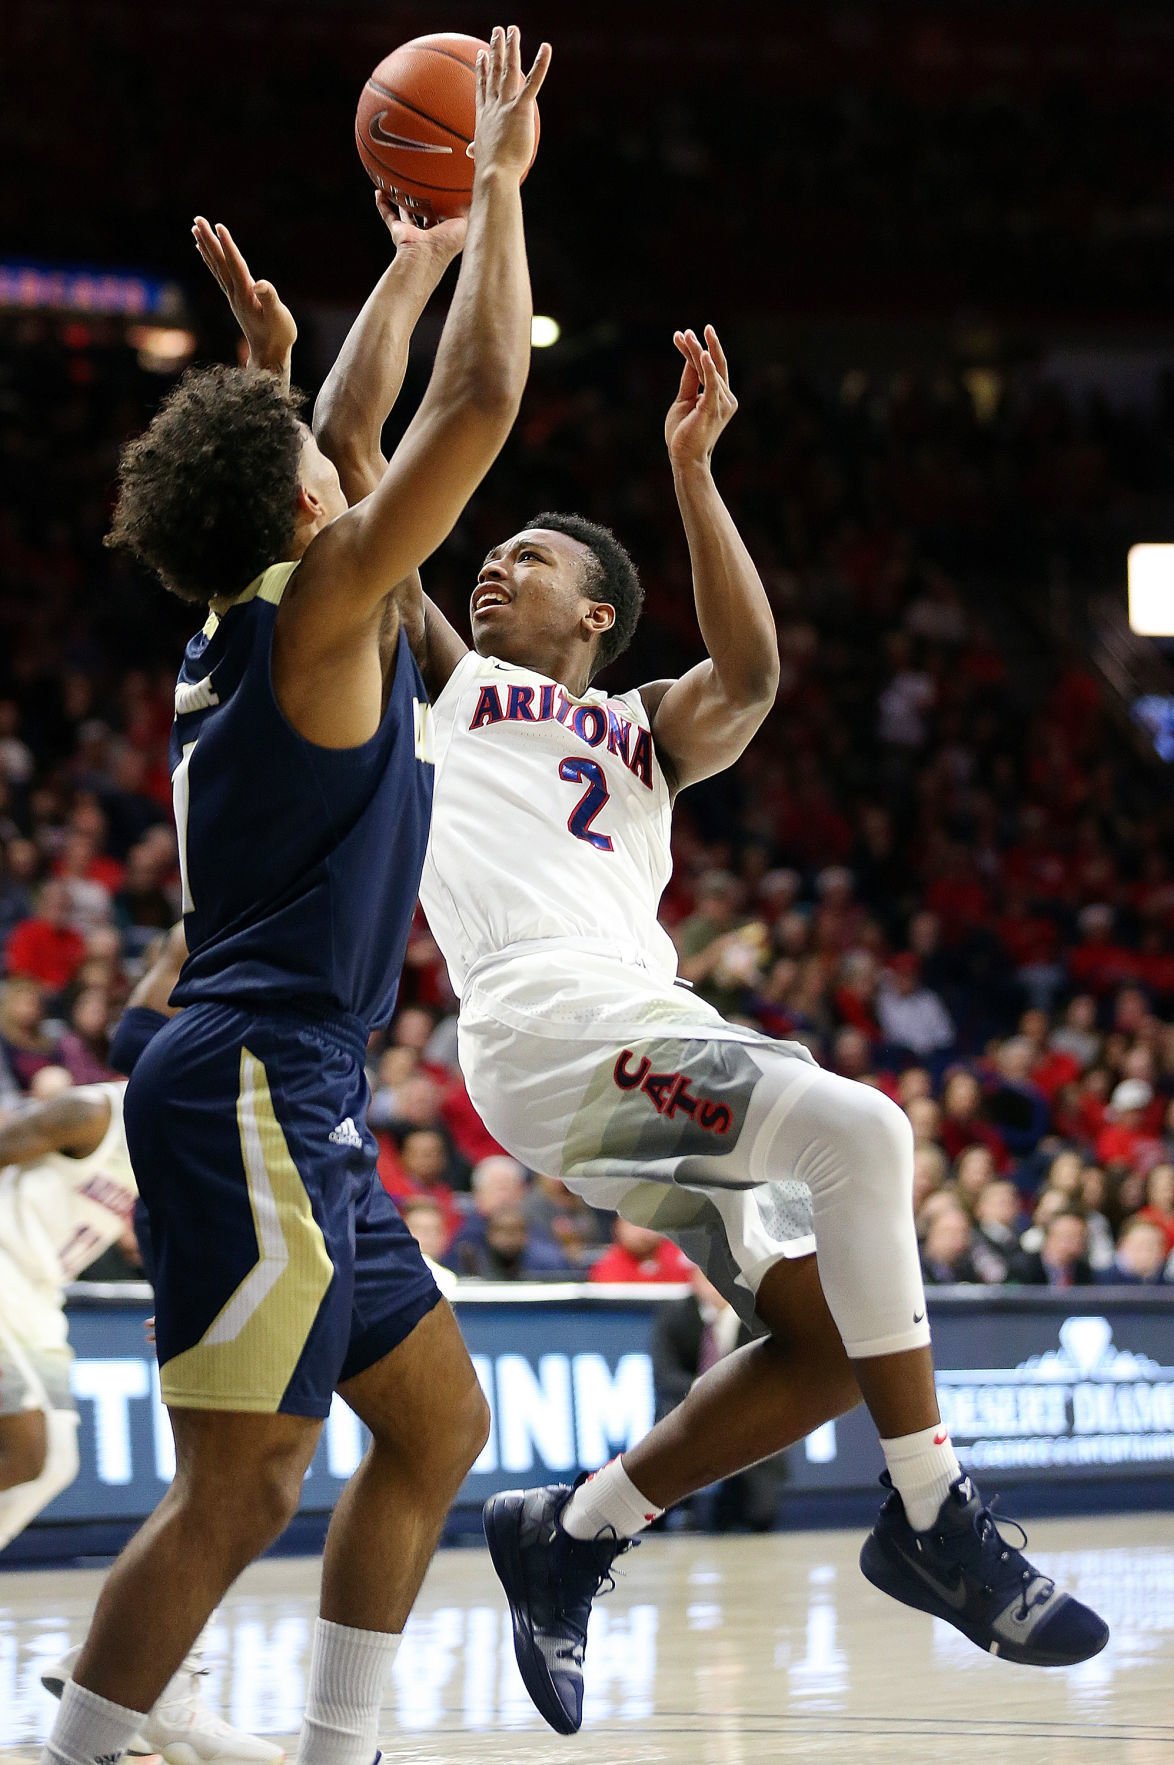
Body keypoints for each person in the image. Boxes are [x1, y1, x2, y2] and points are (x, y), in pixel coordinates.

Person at [210, 207, 1104, 1744]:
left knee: (832, 1342)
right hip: (554, 1031)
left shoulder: (641, 731)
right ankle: (934, 1513)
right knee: (869, 1131)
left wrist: (694, 475)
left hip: (650, 1033)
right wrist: (419, 267)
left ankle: (574, 1532)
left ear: (600, 619)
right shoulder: (445, 676)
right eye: (488, 555)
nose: (493, 567)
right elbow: (355, 434)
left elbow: (750, 677)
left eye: (530, 561)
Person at [40, 29, 549, 1765]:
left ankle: (343, 1752)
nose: (342, 468)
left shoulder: (262, 611)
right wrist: (484, 198)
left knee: (433, 1426)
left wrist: (384, 287)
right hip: (260, 1080)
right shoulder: (324, 610)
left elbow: (341, 427)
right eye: (321, 468)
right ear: (307, 513)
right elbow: (472, 413)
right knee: (243, 1480)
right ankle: (82, 1749)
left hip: (283, 1082)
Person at [29, 926, 282, 1761]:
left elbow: (176, 1233)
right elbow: (165, 973)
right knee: (38, 1447)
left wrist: (185, 1299)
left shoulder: (170, 1145)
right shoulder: (93, 1106)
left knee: (57, 1458)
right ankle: (150, 1684)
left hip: (36, 1301)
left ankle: (130, 1674)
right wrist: (203, 901)